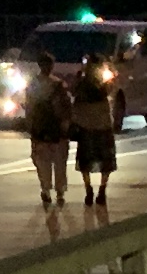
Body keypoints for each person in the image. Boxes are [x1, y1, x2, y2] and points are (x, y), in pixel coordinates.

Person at [64, 61, 124, 210]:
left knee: (85, 162)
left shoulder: (81, 88)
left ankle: (88, 190)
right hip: (103, 128)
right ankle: (102, 190)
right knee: (106, 161)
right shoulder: (103, 88)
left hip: (86, 129)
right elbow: (115, 83)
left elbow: (72, 96)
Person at [21, 64, 74, 209]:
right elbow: (66, 107)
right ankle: (60, 191)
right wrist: (66, 124)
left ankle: (45, 189)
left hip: (40, 129)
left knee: (42, 161)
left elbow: (29, 107)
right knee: (59, 161)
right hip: (57, 129)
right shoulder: (58, 85)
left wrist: (30, 125)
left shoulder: (33, 85)